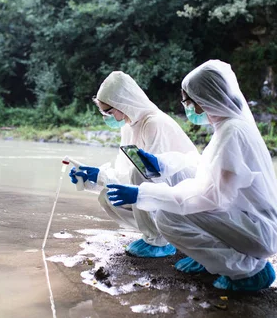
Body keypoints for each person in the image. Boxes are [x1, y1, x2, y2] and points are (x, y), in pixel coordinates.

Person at [105, 60, 277, 291]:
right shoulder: (230, 127)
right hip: (253, 223)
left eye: (188, 101)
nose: (188, 107)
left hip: (260, 232)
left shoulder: (232, 132)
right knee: (171, 207)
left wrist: (143, 193)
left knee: (167, 217)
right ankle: (213, 260)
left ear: (203, 101)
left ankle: (248, 271)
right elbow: (203, 167)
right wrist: (161, 163)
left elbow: (209, 197)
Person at [69, 71, 198, 258]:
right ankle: (152, 235)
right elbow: (123, 177)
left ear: (123, 104)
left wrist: (102, 176)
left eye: (108, 111)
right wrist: (93, 178)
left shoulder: (153, 122)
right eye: (103, 111)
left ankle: (161, 240)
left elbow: (152, 174)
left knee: (141, 170)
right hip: (161, 190)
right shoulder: (128, 127)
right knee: (108, 195)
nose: (106, 116)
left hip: (187, 195)